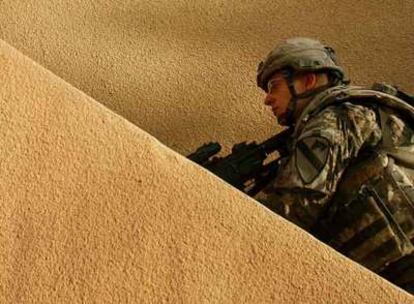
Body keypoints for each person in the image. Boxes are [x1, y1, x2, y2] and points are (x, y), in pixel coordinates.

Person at [255, 37, 414, 294]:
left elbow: (294, 205)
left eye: (274, 86)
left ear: (308, 80)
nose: (268, 99)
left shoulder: (336, 118)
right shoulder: (355, 111)